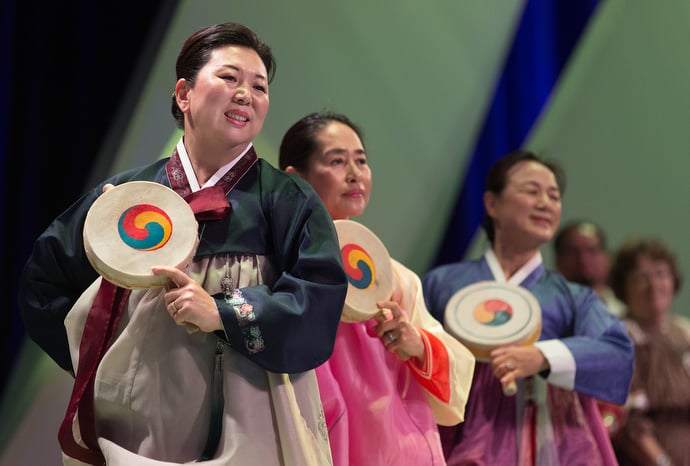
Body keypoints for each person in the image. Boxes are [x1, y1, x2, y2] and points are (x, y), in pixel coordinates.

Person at [18, 23, 348, 466]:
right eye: (229, 78)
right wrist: (101, 367)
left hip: (252, 434)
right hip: (128, 437)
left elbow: (319, 300)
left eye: (259, 86)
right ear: (183, 93)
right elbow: (44, 283)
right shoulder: (126, 194)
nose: (245, 94)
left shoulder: (287, 200)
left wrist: (223, 312)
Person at [278, 111, 475, 466]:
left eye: (361, 161)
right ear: (296, 180)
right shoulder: (272, 261)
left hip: (388, 445)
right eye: (337, 161)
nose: (355, 173)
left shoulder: (394, 277)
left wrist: (416, 343)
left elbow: (453, 361)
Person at [422, 149, 634, 465]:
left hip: (554, 443)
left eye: (553, 195)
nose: (546, 203)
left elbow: (617, 352)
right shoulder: (442, 284)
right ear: (492, 203)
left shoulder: (572, 296)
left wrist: (542, 356)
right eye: (532, 191)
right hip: (459, 438)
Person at [609, 238, 690, 466]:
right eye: (640, 278)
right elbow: (628, 421)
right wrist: (663, 463)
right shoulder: (618, 338)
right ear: (623, 288)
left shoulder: (684, 332)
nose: (654, 285)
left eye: (660, 274)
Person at [554, 220, 626, 317]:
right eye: (573, 252)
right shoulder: (543, 313)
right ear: (558, 260)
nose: (583, 259)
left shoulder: (626, 316)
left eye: (592, 250)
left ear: (607, 258)